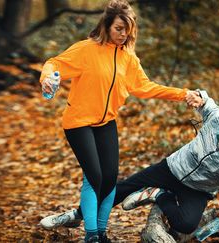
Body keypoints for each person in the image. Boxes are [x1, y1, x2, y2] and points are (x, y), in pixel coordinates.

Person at [38, 1, 203, 242]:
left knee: (110, 177)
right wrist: (46, 78)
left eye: (127, 29)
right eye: (118, 28)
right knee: (94, 176)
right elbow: (55, 64)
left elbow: (145, 87)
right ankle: (91, 235)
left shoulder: (128, 57)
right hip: (79, 122)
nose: (123, 34)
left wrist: (182, 94)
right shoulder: (86, 49)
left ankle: (101, 232)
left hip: (106, 122)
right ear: (106, 25)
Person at [42, 90, 219, 239]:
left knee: (185, 225)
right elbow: (205, 99)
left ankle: (158, 195)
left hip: (200, 189)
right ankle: (76, 215)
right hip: (173, 168)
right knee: (119, 189)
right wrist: (198, 97)